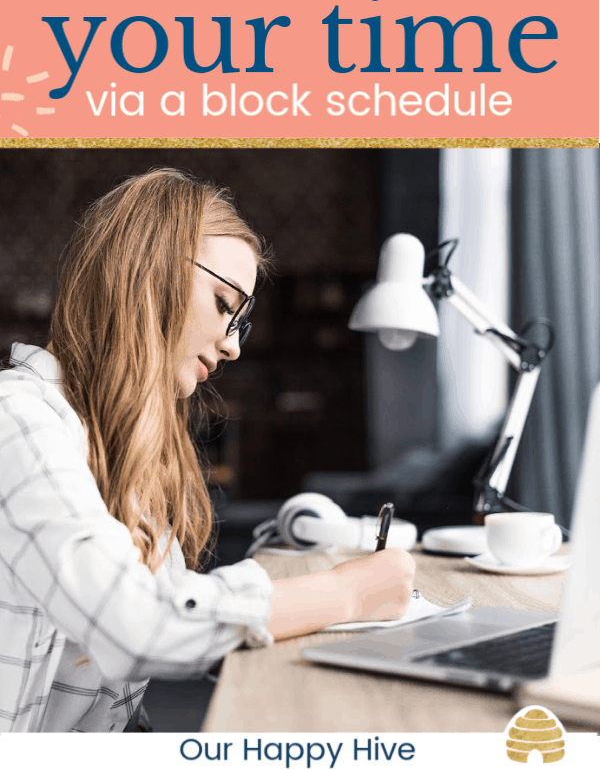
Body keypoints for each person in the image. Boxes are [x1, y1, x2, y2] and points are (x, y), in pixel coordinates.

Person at [0, 169, 415, 733]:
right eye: (224, 305)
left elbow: (133, 668)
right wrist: (346, 592)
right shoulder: (16, 421)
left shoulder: (125, 449)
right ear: (147, 269)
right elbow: (140, 624)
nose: (233, 345)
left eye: (242, 321)